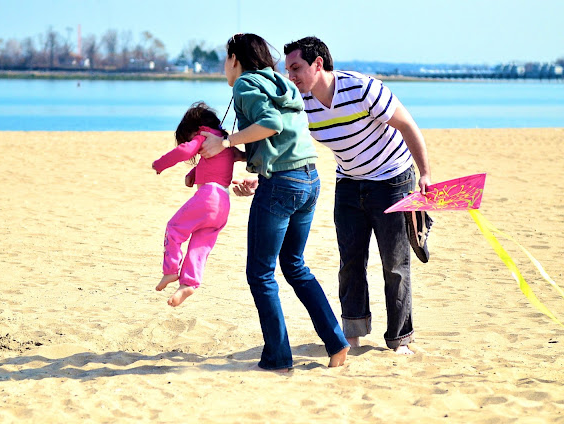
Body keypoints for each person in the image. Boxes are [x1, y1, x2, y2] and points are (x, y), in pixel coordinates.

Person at [200, 33, 350, 371]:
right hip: (308, 179)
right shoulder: (281, 83)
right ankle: (337, 342)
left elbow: (270, 124)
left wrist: (225, 145)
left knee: (260, 274)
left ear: (235, 59)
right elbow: (281, 136)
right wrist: (243, 157)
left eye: (226, 59)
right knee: (294, 265)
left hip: (283, 184)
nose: (224, 67)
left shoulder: (245, 85)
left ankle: (279, 357)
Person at [280, 36, 432, 355]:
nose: (290, 76)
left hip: (393, 180)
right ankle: (353, 333)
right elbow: (283, 141)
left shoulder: (362, 88)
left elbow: (407, 125)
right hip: (349, 183)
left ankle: (400, 339)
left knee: (394, 263)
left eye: (296, 68)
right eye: (287, 69)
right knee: (350, 262)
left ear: (318, 64)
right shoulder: (301, 102)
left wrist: (425, 174)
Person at [152, 101, 241, 307]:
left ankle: (171, 270)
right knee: (201, 245)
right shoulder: (223, 142)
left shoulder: (204, 136)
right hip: (223, 203)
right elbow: (215, 164)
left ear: (196, 129)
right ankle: (188, 284)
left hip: (208, 195)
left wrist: (160, 164)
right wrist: (193, 174)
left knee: (174, 228)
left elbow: (183, 152)